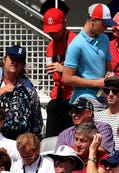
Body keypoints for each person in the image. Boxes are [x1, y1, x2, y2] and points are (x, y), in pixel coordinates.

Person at [0, 45, 43, 139]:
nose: (14, 63)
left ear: (23, 65)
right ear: (5, 59)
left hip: (16, 136)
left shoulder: (27, 86)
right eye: (12, 59)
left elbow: (36, 114)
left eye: (19, 61)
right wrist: (3, 90)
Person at [61, 3, 114, 109]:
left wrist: (109, 75)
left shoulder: (105, 39)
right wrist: (97, 83)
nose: (107, 27)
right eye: (104, 23)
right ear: (92, 20)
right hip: (84, 98)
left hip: (104, 97)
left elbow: (108, 68)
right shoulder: (76, 44)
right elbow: (66, 78)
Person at [43, 8, 78, 137]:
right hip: (57, 96)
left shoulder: (76, 42)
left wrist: (64, 70)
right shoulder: (50, 46)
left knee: (71, 139)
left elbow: (87, 73)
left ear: (65, 23)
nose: (52, 34)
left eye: (55, 31)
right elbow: (51, 70)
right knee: (51, 137)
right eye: (50, 31)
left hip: (74, 97)